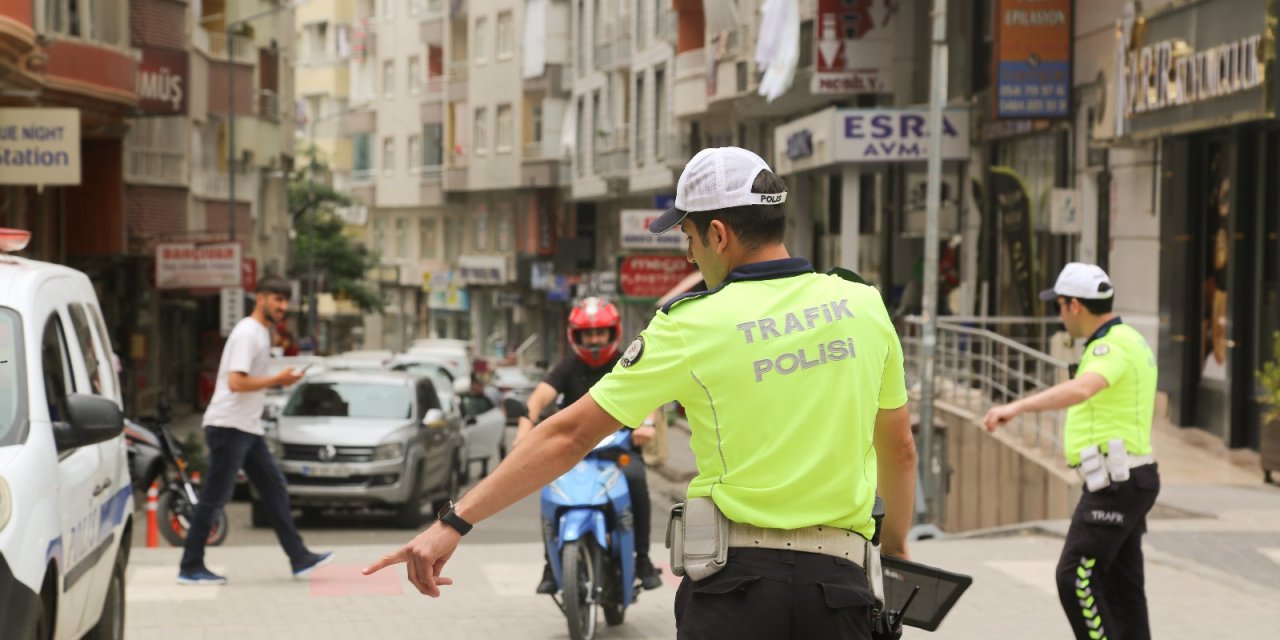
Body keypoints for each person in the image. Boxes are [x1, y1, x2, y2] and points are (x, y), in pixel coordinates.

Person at [364, 147, 916, 640]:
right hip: (843, 592)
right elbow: (899, 450)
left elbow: (567, 435)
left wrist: (452, 522)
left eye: (689, 238)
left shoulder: (691, 326)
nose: (689, 257)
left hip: (737, 596)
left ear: (718, 234)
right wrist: (895, 552)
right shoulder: (862, 305)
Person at [983, 263, 1159, 640]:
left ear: (1074, 305)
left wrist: (1016, 407)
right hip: (1129, 479)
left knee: (1075, 578)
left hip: (1116, 484)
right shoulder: (1132, 338)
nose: (1059, 316)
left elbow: (1083, 389)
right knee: (1121, 586)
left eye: (1058, 306)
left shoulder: (1110, 346)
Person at [178, 276, 333, 585]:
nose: (282, 306)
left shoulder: (262, 333)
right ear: (259, 297)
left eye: (285, 300)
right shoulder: (248, 333)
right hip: (228, 426)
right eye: (276, 299)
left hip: (246, 428)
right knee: (214, 497)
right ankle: (190, 566)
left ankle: (299, 558)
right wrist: (278, 380)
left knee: (273, 489)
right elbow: (236, 382)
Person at [512, 296, 664, 593]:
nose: (594, 340)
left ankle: (643, 560)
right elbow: (538, 399)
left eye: (600, 333)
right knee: (549, 490)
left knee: (636, 479)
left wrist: (646, 425)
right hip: (573, 451)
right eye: (588, 334)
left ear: (613, 332)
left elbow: (651, 394)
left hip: (619, 450)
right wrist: (523, 431)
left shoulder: (628, 360)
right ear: (576, 336)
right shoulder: (566, 368)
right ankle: (549, 564)